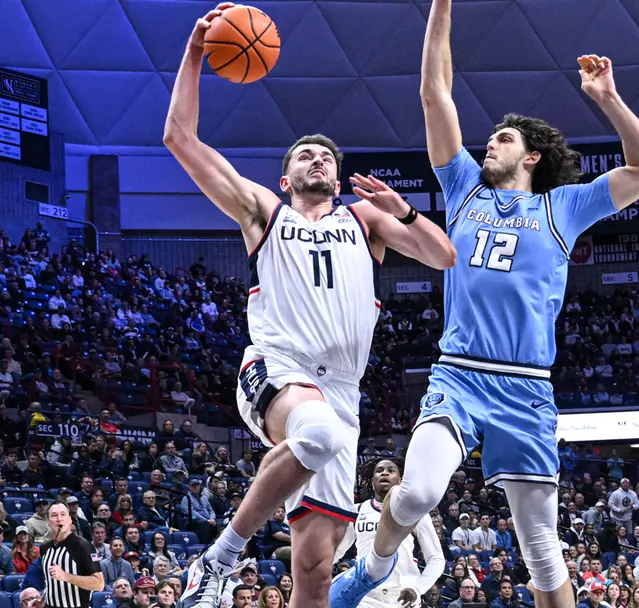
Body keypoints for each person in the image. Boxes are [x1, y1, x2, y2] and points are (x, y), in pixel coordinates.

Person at [329, 0, 639, 606]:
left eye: (503, 139)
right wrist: (441, 7)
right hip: (459, 374)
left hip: (527, 387)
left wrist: (608, 98)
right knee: (414, 496)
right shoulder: (463, 189)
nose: (490, 144)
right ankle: (373, 569)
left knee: (541, 549)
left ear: (532, 156)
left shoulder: (564, 206)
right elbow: (435, 95)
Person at [164, 6, 456, 608]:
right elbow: (180, 138)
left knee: (317, 568)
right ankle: (216, 562)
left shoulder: (365, 218)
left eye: (327, 156)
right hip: (278, 365)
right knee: (316, 434)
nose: (318, 159)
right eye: (305, 155)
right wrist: (196, 51)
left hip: (344, 392)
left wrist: (402, 210)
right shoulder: (263, 213)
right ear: (285, 176)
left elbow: (443, 255)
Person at [333, 460, 445, 608]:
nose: (384, 473)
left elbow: (436, 558)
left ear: (400, 481)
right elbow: (337, 551)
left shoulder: (414, 513)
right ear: (373, 481)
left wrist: (417, 589)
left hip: (404, 595)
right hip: (366, 596)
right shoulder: (357, 511)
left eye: (391, 470)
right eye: (379, 471)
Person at [39, 502, 104, 608]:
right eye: (54, 515)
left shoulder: (83, 546)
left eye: (63, 514)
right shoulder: (45, 548)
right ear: (48, 521)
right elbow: (51, 583)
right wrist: (42, 601)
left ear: (69, 520)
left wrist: (66, 576)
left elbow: (99, 584)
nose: (59, 519)